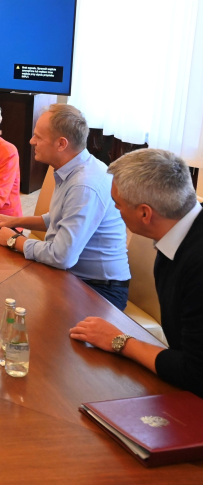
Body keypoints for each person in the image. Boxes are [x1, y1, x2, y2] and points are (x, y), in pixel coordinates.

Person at [70, 149, 203, 397]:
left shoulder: (197, 266)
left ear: (144, 213)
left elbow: (195, 373)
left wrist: (120, 341)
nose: (115, 210)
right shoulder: (181, 228)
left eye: (117, 204)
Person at [0, 104, 130, 310]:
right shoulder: (72, 169)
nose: (32, 141)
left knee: (7, 305)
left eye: (38, 137)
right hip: (73, 276)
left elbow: (62, 256)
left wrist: (15, 240)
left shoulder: (84, 184)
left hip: (99, 290)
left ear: (61, 144)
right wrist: (13, 221)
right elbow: (58, 219)